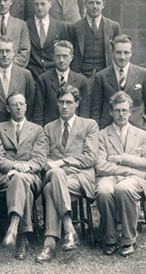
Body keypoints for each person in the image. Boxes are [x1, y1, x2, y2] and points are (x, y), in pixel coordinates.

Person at [35, 85, 99, 262]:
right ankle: (69, 229)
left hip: (80, 177)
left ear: (77, 103)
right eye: (61, 102)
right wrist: (59, 169)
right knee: (56, 174)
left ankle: (49, 244)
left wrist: (63, 163)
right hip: (57, 174)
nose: (64, 106)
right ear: (57, 103)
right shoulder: (48, 128)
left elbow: (91, 157)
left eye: (69, 102)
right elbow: (43, 158)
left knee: (49, 189)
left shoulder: (89, 125)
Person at [95, 91, 146, 257]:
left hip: (136, 181)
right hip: (111, 176)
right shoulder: (102, 135)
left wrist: (121, 158)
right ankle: (111, 238)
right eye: (117, 110)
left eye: (124, 110)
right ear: (111, 112)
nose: (121, 114)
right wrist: (129, 169)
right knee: (104, 190)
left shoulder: (142, 135)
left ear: (130, 112)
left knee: (124, 188)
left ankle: (129, 239)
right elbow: (100, 166)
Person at [0, 93, 48, 260]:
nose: (19, 107)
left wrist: (24, 168)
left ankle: (13, 226)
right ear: (8, 108)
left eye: (22, 104)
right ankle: (22, 239)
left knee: (21, 179)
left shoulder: (37, 130)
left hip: (31, 176)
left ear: (26, 106)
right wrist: (13, 166)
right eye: (14, 104)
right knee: (22, 186)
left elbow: (39, 159)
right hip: (5, 176)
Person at [91, 34, 146, 135]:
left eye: (126, 52)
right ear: (112, 53)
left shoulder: (143, 74)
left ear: (131, 53)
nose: (122, 57)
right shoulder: (101, 76)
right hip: (109, 132)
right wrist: (98, 131)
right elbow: (96, 109)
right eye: (118, 52)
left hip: (138, 130)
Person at [33, 41, 90, 126]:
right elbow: (39, 111)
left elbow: (84, 111)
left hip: (74, 129)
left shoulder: (81, 80)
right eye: (58, 56)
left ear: (71, 58)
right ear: (53, 57)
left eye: (65, 56)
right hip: (50, 129)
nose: (61, 60)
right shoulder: (44, 79)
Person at [69, 0, 121, 80]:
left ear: (103, 4)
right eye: (91, 3)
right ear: (85, 4)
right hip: (81, 76)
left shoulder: (114, 26)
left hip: (106, 76)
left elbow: (119, 52)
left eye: (98, 3)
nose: (95, 6)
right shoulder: (74, 27)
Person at [26, 0, 68, 80]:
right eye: (36, 4)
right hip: (32, 75)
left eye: (43, 4)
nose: (39, 7)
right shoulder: (25, 25)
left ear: (50, 4)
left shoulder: (60, 26)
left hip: (54, 74)